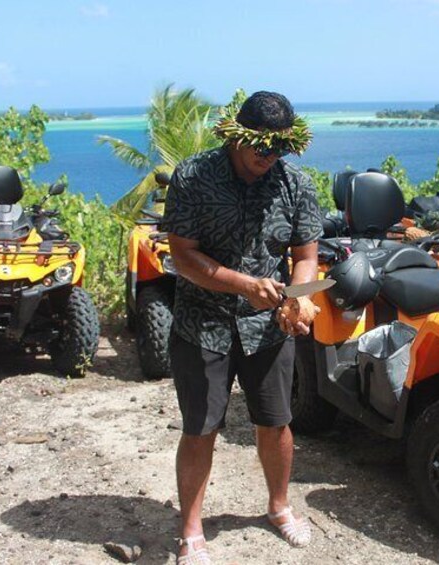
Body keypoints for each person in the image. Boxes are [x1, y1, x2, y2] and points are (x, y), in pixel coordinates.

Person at [161, 91, 323, 564]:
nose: (268, 157)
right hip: (202, 324)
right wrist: (244, 285)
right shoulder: (194, 176)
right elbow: (182, 255)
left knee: (276, 423)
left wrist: (300, 299)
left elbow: (306, 257)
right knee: (201, 428)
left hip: (267, 328)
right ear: (237, 135)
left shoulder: (294, 183)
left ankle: (279, 508)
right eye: (260, 147)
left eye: (278, 149)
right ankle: (191, 529)